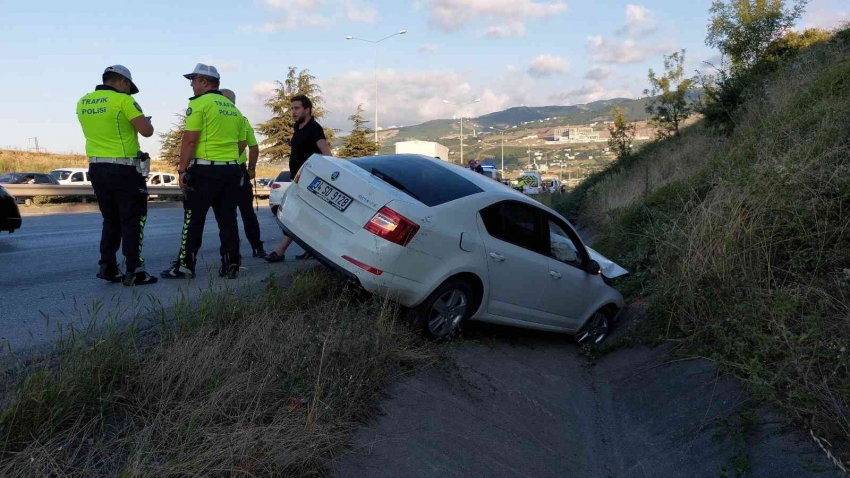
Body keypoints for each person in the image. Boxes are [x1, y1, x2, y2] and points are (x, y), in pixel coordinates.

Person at [160, 63, 247, 280]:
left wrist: (182, 170)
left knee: (193, 220)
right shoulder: (233, 109)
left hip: (205, 172)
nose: (192, 84)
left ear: (205, 82)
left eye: (194, 80)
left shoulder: (200, 104)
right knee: (227, 220)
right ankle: (232, 264)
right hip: (230, 171)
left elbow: (190, 139)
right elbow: (242, 143)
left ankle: (185, 266)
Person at [76, 65, 157, 286]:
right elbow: (146, 131)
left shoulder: (83, 101)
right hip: (124, 168)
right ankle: (135, 271)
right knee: (132, 218)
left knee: (110, 219)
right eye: (129, 87)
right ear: (122, 81)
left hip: (96, 168)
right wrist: (144, 120)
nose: (129, 91)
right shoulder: (124, 101)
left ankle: (108, 266)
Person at [264, 95, 332, 263]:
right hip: (298, 179)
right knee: (307, 217)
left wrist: (325, 175)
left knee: (296, 215)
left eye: (297, 108)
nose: (293, 112)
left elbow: (326, 152)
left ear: (307, 109)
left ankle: (280, 251)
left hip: (309, 181)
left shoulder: (314, 128)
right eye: (292, 108)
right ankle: (311, 250)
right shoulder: (298, 127)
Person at [220, 88, 266, 259]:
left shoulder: (236, 119)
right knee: (241, 212)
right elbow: (253, 147)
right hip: (236, 170)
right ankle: (250, 249)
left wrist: (251, 169)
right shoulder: (242, 119)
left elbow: (253, 147)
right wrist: (251, 169)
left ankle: (249, 248)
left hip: (231, 169)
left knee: (238, 212)